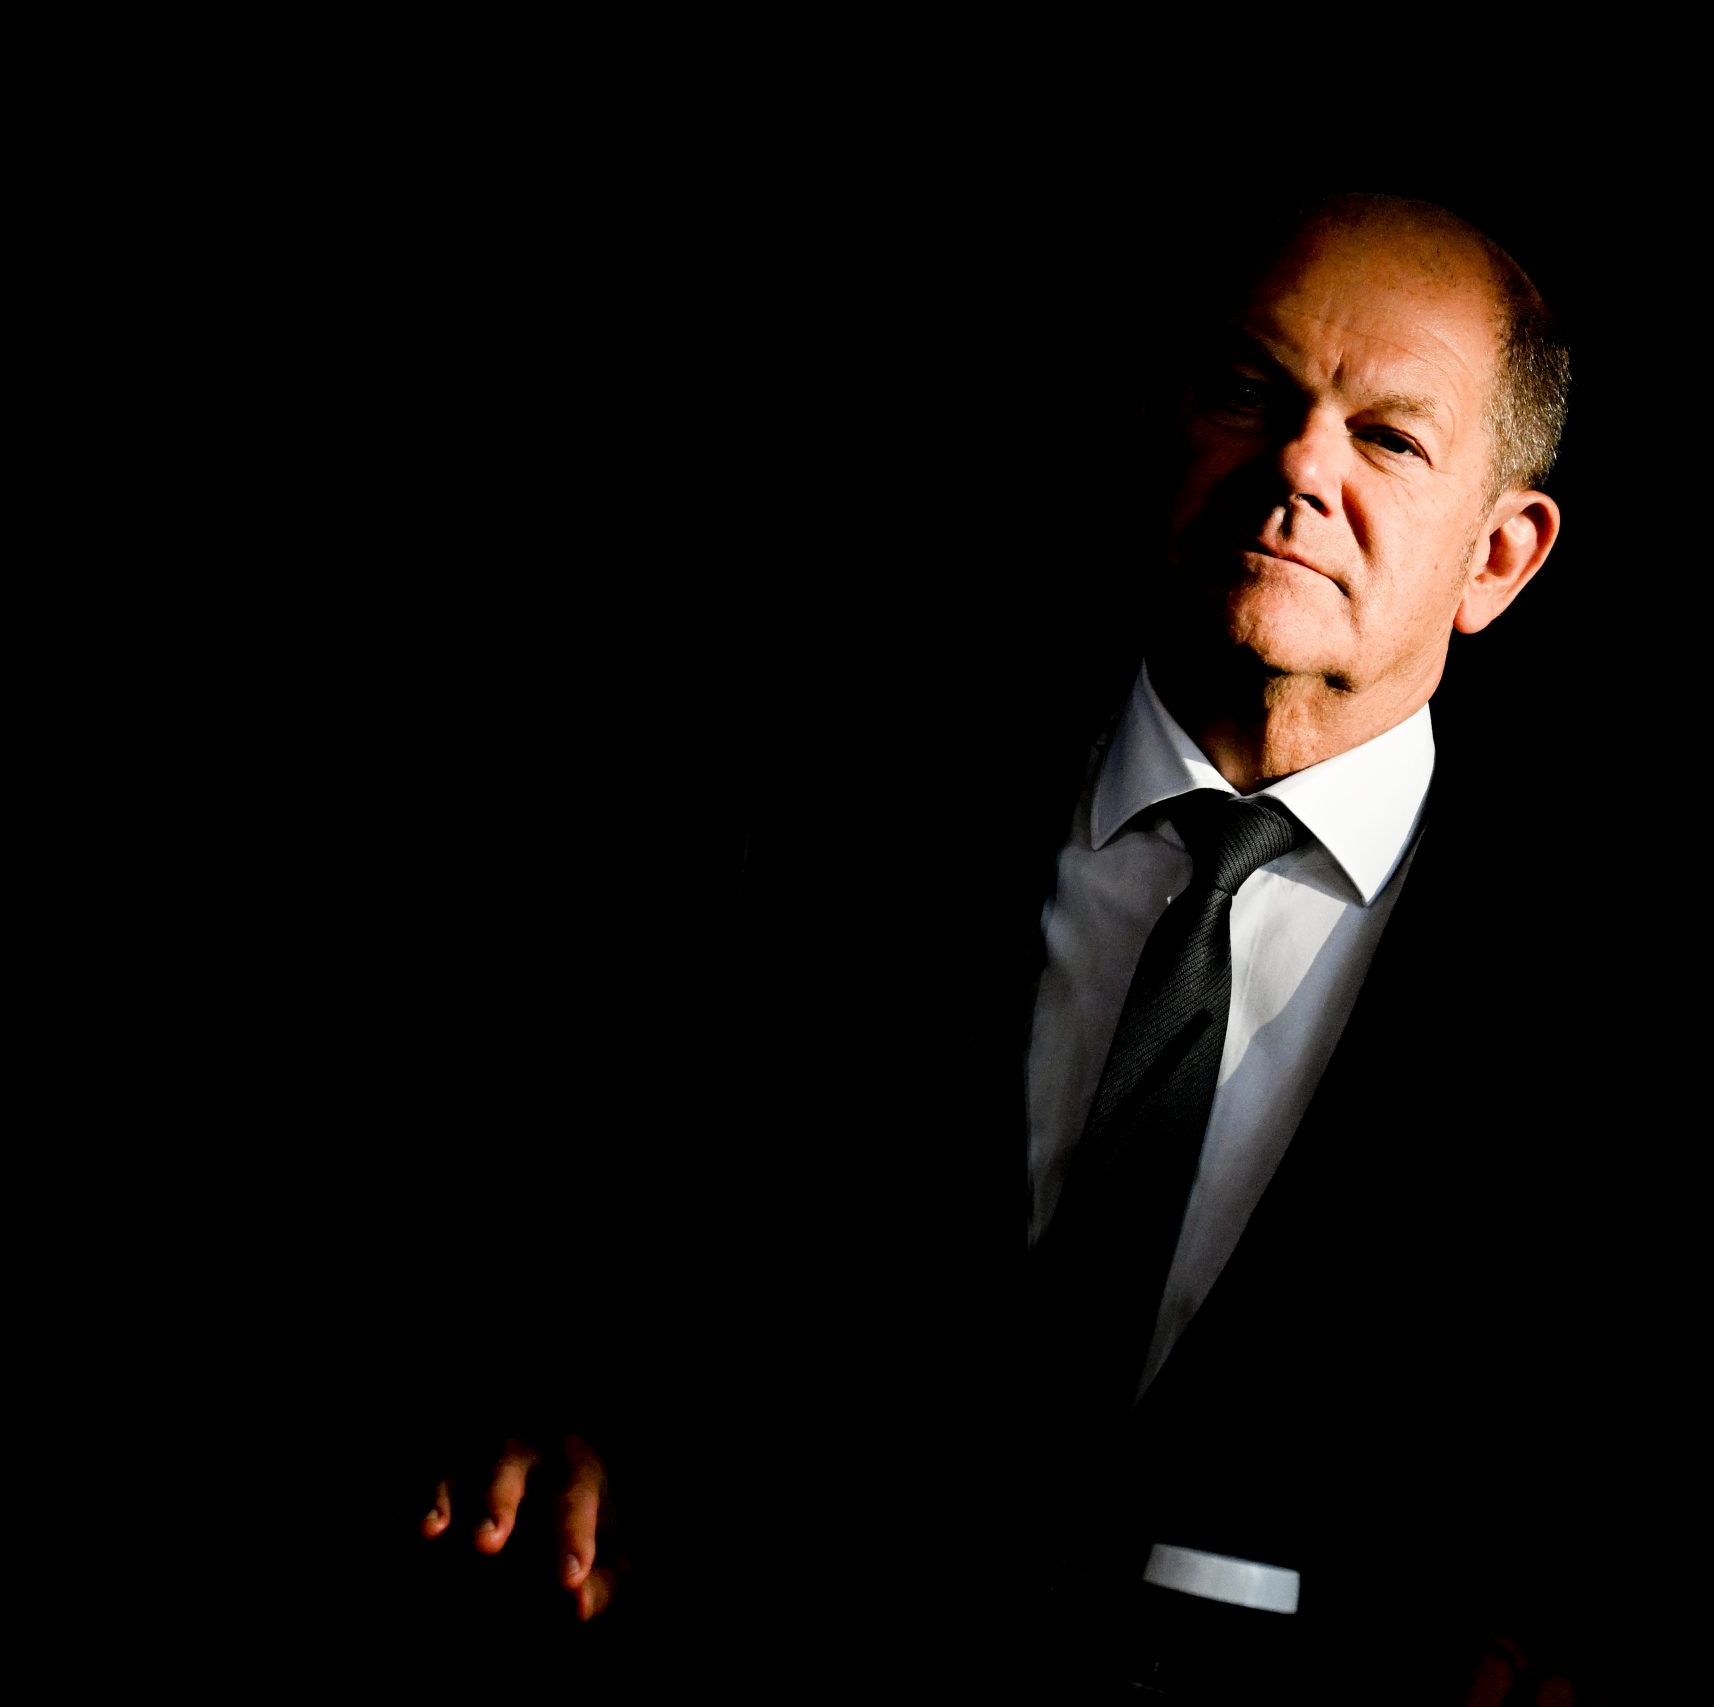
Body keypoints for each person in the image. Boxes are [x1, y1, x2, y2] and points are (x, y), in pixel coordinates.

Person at [399, 190, 1608, 1701]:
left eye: (1389, 440)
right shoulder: (813, 826)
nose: (1300, 466)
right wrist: (561, 1427)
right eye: (1255, 392)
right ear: (1164, 423)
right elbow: (583, 1242)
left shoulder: (1600, 989)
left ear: (1501, 557)